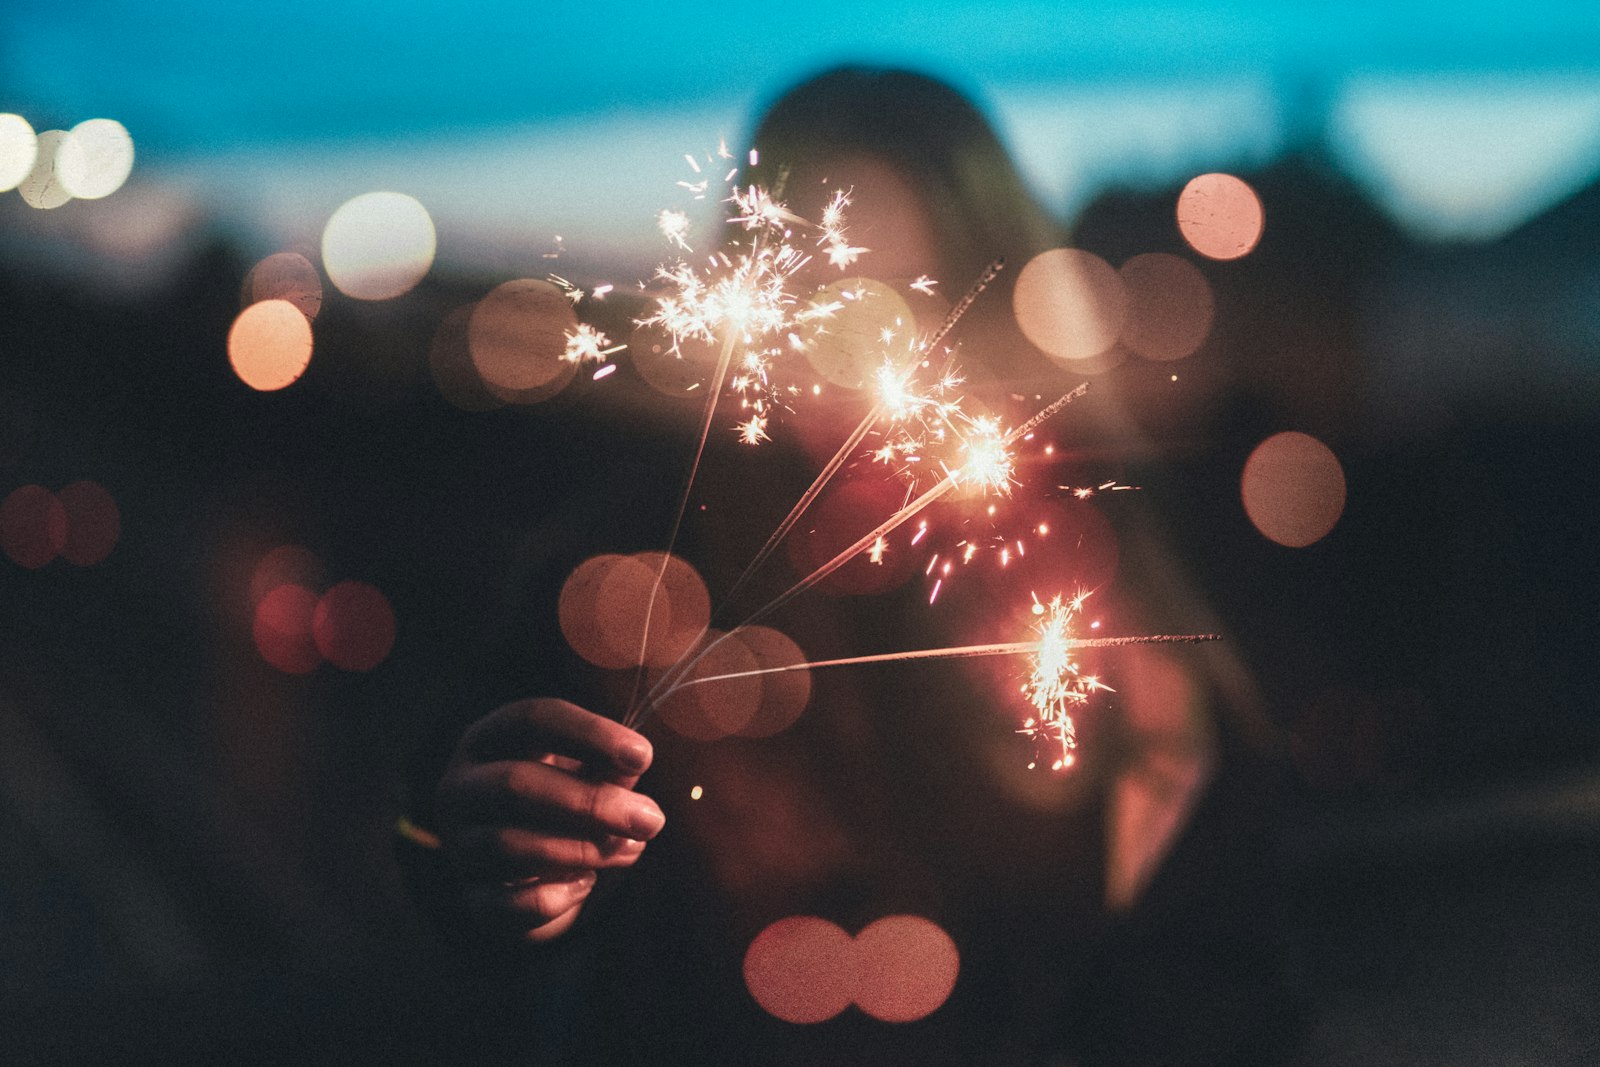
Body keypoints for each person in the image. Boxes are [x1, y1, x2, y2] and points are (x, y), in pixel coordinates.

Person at [412, 64, 1300, 1065]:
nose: (848, 353)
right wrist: (503, 871)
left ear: (997, 302)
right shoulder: (627, 573)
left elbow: (1211, 993)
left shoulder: (1104, 601)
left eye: (903, 299)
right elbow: (449, 855)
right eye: (805, 294)